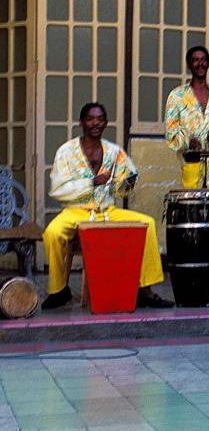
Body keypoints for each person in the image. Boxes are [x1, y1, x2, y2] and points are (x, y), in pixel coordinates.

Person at [42, 103, 173, 310]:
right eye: (90, 118)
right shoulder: (66, 152)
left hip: (106, 210)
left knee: (146, 224)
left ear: (106, 122)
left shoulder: (114, 152)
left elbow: (122, 186)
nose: (95, 123)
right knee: (52, 233)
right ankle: (59, 290)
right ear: (81, 122)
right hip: (75, 211)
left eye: (100, 119)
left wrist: (127, 184)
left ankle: (145, 291)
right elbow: (58, 190)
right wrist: (91, 182)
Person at [165, 46, 209, 190]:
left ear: (208, 63)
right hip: (191, 164)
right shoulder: (177, 96)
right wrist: (188, 140)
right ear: (189, 65)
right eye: (195, 60)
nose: (200, 64)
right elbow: (170, 130)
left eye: (204, 59)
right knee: (192, 207)